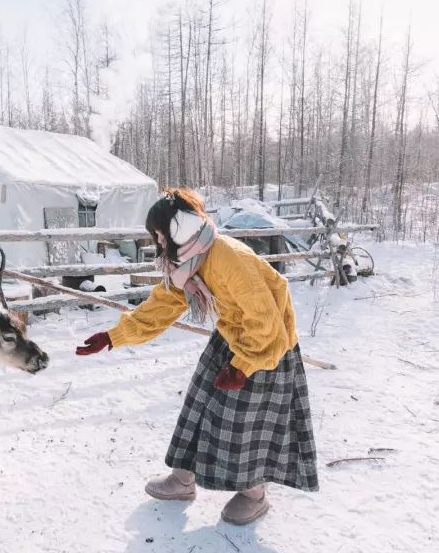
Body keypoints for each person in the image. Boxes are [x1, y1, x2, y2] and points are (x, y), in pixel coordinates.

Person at [75, 188, 318, 525]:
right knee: (198, 404)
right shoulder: (188, 262)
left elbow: (266, 325)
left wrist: (242, 367)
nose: (158, 242)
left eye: (161, 234)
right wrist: (114, 336)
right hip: (231, 337)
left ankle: (254, 494)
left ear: (180, 229)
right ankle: (182, 479)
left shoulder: (230, 260)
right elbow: (162, 306)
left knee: (242, 423)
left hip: (265, 350)